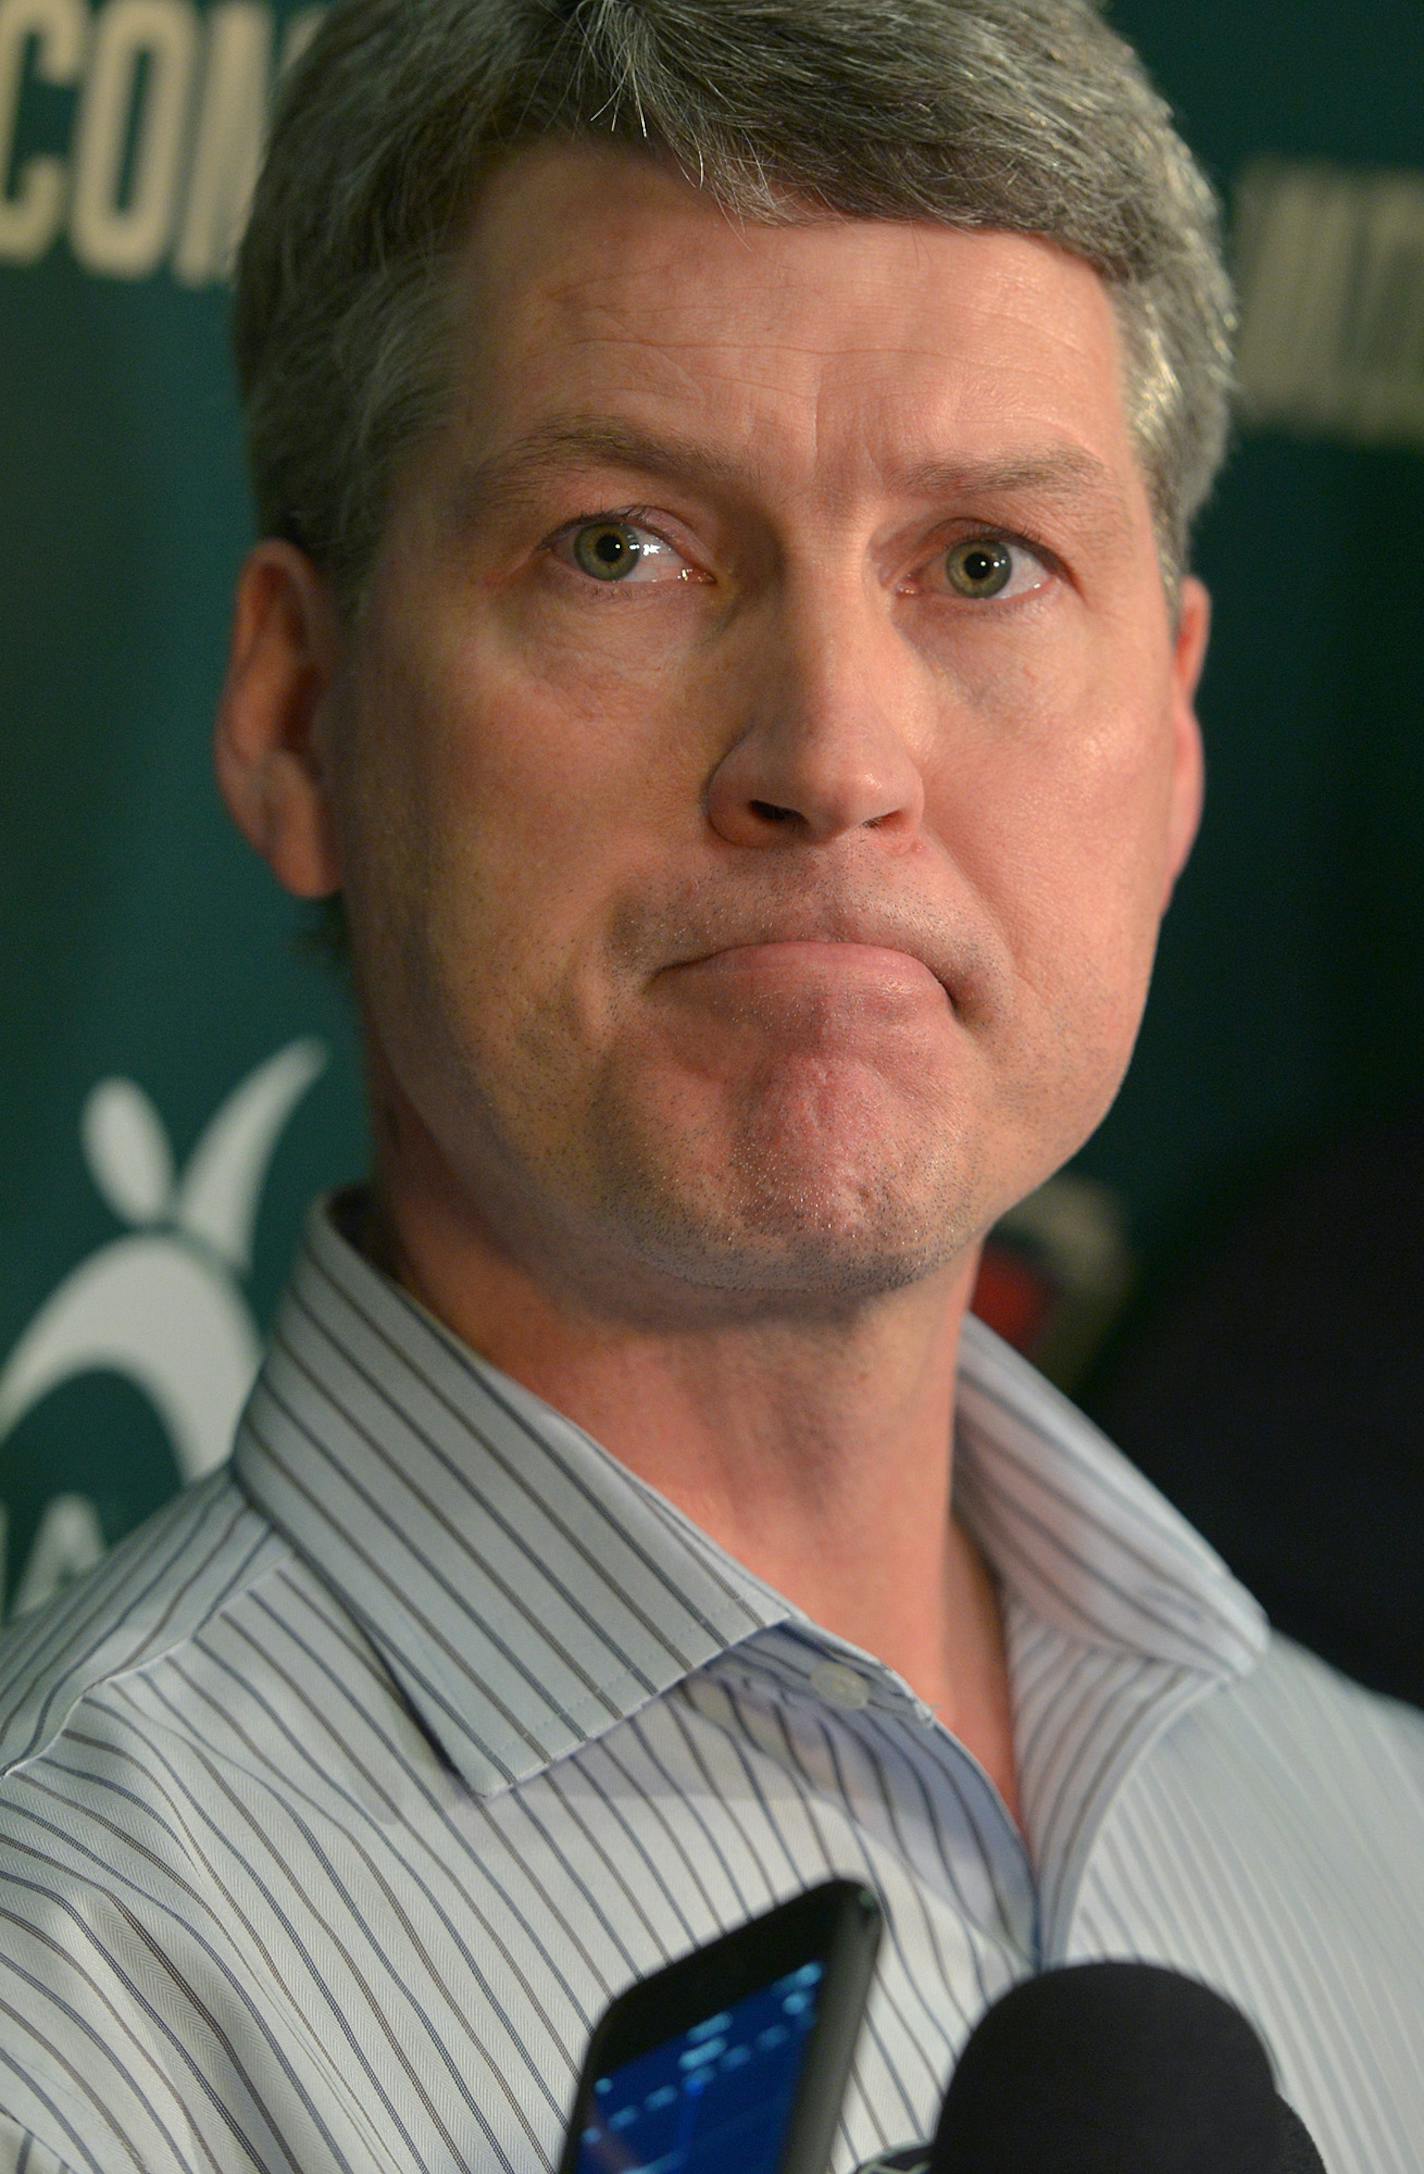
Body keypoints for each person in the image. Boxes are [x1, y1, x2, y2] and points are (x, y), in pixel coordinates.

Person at [0, 0, 1419, 2168]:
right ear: (300, 720)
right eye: (621, 548)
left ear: (1176, 742)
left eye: (981, 565)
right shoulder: (71, 1982)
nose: (833, 759)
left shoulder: (1376, 1835)